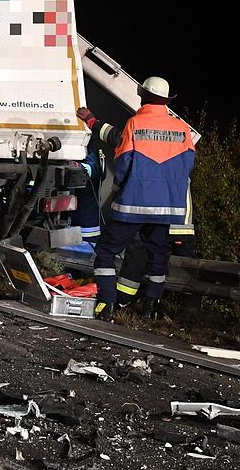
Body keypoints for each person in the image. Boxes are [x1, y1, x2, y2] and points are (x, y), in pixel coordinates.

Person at [76, 76, 195, 321]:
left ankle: (106, 304)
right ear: (166, 100)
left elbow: (122, 162)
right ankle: (151, 308)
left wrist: (124, 186)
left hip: (133, 204)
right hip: (167, 208)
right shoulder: (182, 129)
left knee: (107, 252)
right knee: (158, 258)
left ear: (142, 95)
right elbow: (187, 165)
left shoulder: (135, 124)